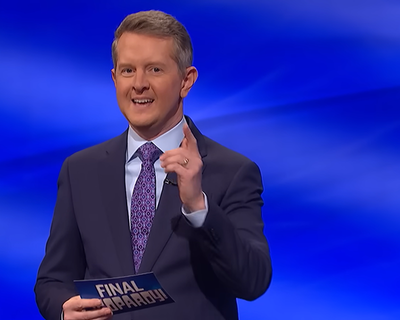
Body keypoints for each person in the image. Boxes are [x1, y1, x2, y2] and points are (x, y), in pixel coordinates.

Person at [34, 10, 272, 320]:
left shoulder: (231, 171)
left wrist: (198, 207)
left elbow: (253, 281)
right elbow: (53, 280)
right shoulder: (80, 170)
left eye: (155, 69)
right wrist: (64, 310)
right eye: (128, 70)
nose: (139, 84)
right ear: (114, 78)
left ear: (186, 81)